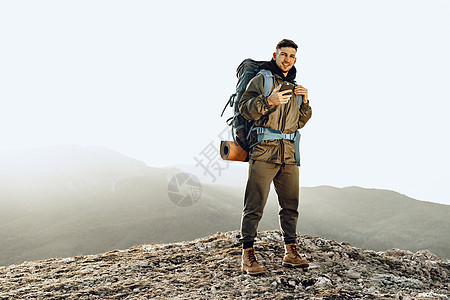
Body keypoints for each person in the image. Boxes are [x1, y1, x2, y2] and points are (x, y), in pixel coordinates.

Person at [238, 39, 312, 275]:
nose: (287, 59)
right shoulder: (262, 79)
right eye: (283, 55)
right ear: (275, 55)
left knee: (290, 205)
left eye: (291, 56)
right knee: (254, 205)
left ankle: (291, 252)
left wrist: (306, 102)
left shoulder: (294, 86)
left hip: (288, 155)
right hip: (264, 151)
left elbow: (299, 122)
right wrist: (267, 100)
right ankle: (248, 255)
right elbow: (244, 108)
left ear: (295, 60)